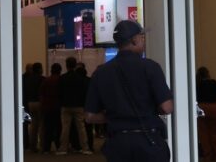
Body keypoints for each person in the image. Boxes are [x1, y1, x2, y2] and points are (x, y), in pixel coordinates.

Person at [85, 20, 173, 162]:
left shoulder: (101, 72)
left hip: (118, 143)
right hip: (149, 141)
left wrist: (116, 116)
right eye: (141, 37)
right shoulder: (151, 67)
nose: (143, 41)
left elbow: (90, 116)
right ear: (134, 40)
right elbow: (167, 107)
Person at [59, 56, 93, 155]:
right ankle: (85, 148)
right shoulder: (80, 78)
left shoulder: (63, 78)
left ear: (66, 65)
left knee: (65, 128)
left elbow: (60, 92)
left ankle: (63, 148)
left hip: (66, 106)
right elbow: (83, 92)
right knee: (81, 128)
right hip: (78, 106)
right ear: (75, 65)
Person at [196, 66, 216, 161]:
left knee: (204, 135)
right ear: (207, 74)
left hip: (201, 108)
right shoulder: (213, 82)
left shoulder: (197, 84)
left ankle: (208, 157)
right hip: (214, 108)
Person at [40, 64, 63, 153]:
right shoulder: (61, 80)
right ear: (60, 70)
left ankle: (46, 148)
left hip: (47, 107)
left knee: (48, 128)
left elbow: (41, 93)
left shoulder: (46, 80)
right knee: (58, 128)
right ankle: (58, 146)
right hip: (58, 107)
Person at [23, 63, 44, 153]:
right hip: (39, 103)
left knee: (33, 126)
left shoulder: (27, 79)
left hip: (30, 103)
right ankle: (43, 146)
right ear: (39, 69)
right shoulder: (42, 79)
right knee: (42, 126)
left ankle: (33, 146)